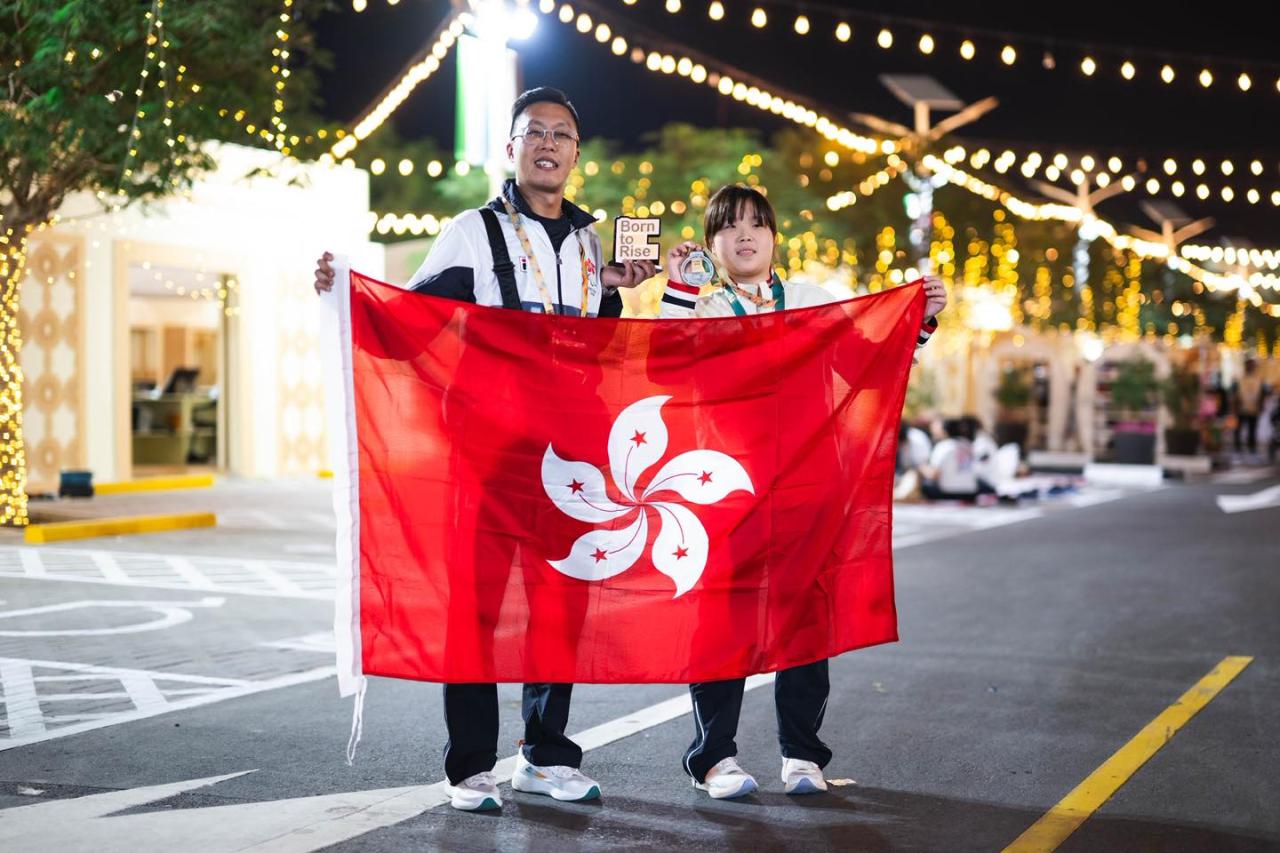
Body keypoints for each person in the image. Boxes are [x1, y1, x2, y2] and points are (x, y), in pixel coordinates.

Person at [314, 87, 656, 813]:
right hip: (488, 451)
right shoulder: (472, 231)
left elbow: (595, 342)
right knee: (477, 606)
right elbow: (415, 317)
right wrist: (346, 294)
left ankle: (544, 755)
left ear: (575, 153)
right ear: (512, 148)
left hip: (571, 456)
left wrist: (613, 291)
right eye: (535, 132)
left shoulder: (590, 244)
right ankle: (470, 766)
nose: (548, 143)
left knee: (559, 604)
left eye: (562, 134)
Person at [658, 184, 947, 799]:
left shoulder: (812, 300)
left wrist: (918, 322)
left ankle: (802, 755)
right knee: (724, 621)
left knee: (806, 619)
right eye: (729, 226)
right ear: (710, 244)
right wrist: (678, 289)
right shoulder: (703, 308)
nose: (744, 235)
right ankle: (713, 759)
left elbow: (866, 365)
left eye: (756, 224)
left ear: (773, 237)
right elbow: (662, 366)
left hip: (809, 486)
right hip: (728, 488)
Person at [1233, 359, 1265, 457]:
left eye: (1252, 366)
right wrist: (1235, 406)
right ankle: (1237, 448)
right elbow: (1235, 393)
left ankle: (1252, 448)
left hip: (1253, 409)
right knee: (1238, 429)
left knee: (1252, 430)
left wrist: (1260, 405)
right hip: (1241, 409)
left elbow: (1262, 393)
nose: (1251, 367)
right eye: (1249, 365)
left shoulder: (1258, 379)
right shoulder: (1239, 379)